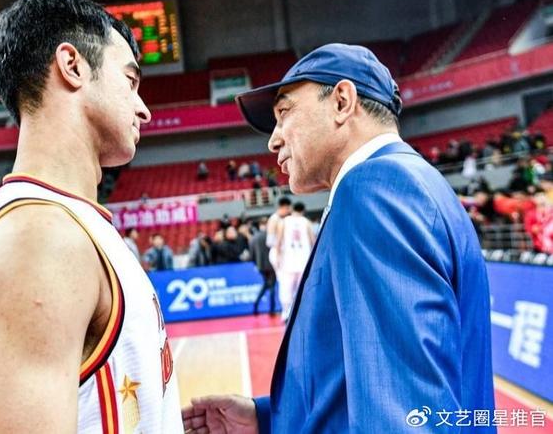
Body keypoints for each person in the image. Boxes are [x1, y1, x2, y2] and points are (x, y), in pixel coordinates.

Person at [183, 43, 495, 433]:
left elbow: (403, 415)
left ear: (342, 102)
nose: (273, 140)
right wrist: (269, 419)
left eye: (284, 113)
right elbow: (362, 376)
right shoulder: (409, 181)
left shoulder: (373, 188)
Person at [0, 0, 182, 433]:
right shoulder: (40, 238)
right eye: (130, 81)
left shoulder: (64, 222)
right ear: (72, 65)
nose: (144, 109)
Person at [275, 201, 314, 321]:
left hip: (288, 261)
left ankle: (286, 312)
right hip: (304, 261)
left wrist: (278, 256)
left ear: (292, 209)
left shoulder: (284, 221)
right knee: (303, 288)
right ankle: (304, 313)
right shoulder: (307, 222)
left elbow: (278, 241)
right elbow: (313, 241)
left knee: (286, 288)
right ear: (303, 211)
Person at [249, 217, 276, 315]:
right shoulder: (270, 236)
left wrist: (257, 264)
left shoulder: (253, 238)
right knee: (271, 286)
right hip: (271, 265)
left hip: (261, 266)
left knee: (266, 284)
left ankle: (256, 303)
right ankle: (272, 309)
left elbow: (251, 255)